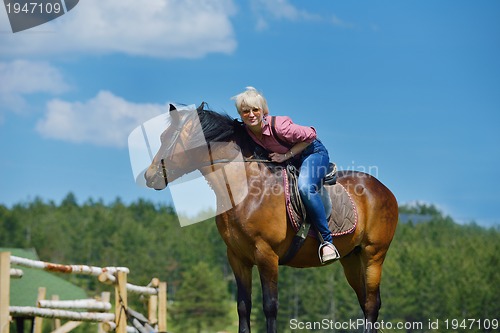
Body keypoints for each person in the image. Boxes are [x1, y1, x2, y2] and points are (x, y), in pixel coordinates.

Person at [232, 87, 340, 264]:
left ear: (263, 111)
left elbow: (311, 135)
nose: (251, 114)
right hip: (289, 161)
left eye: (255, 110)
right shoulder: (247, 130)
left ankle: (327, 242)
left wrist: (286, 155)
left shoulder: (279, 125)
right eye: (245, 111)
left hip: (312, 153)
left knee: (305, 187)